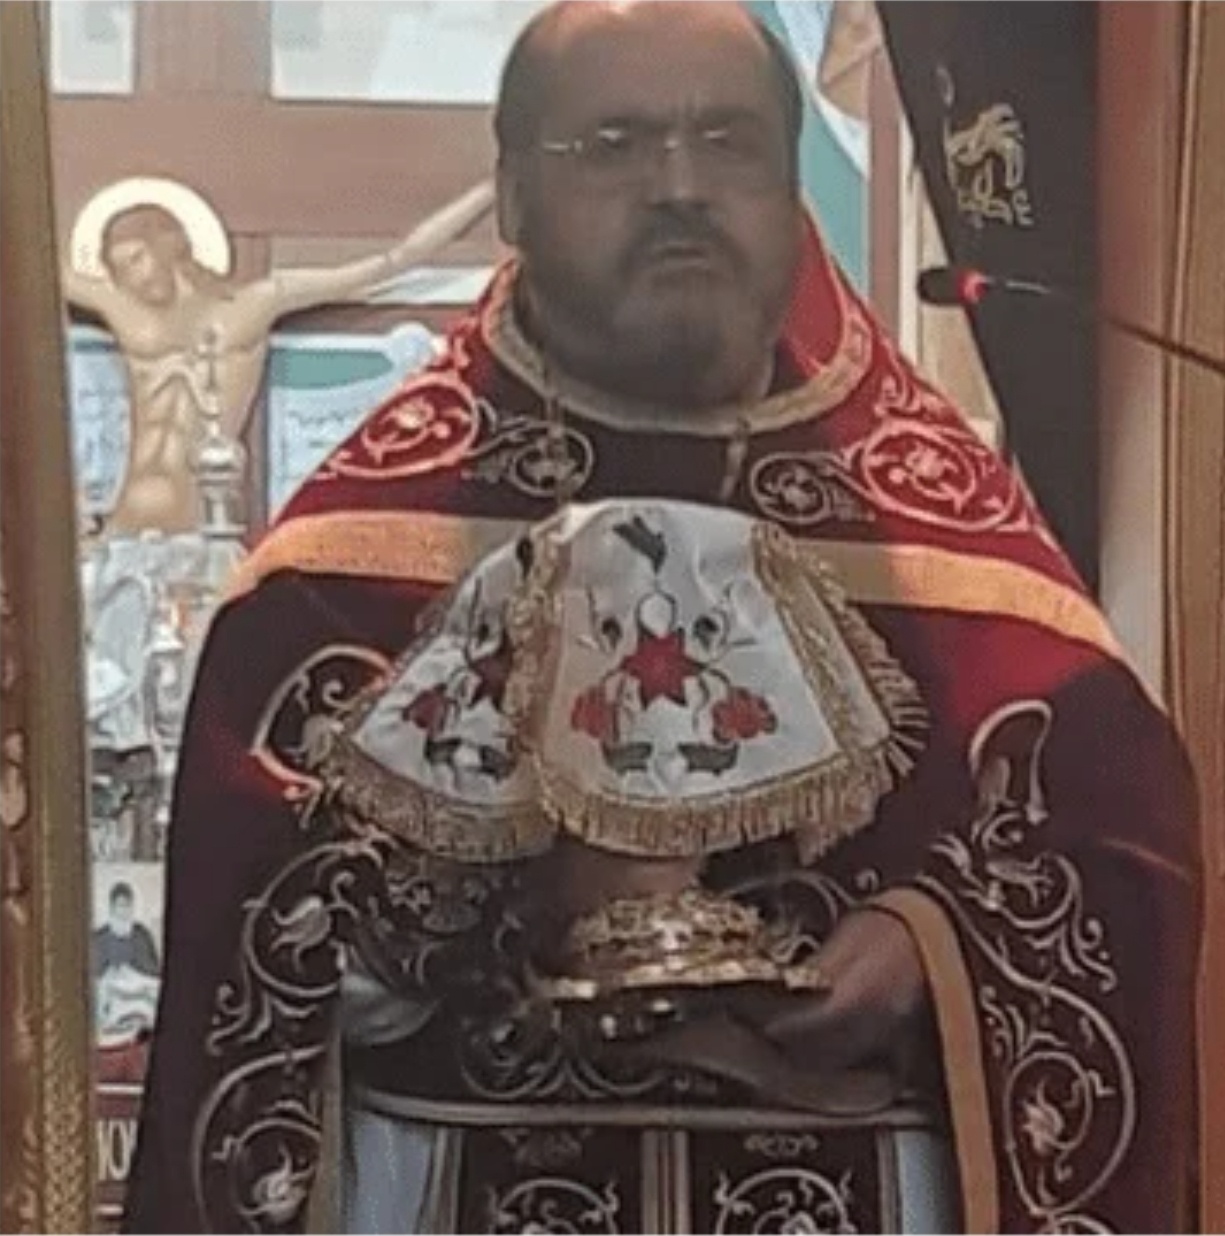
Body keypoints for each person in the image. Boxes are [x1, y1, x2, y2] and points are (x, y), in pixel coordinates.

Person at [124, 3, 1200, 1233]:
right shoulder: (350, 567)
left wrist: (933, 950)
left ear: (787, 189)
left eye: (727, 141)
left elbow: (1115, 864)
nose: (680, 187)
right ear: (512, 197)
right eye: (615, 144)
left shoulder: (950, 554)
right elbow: (255, 953)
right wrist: (456, 886)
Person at [62, 180, 494, 536]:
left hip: (202, 522)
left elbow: (393, 261)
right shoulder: (127, 312)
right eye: (119, 268)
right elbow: (36, 262)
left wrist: (492, 188)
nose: (130, 277)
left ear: (172, 244)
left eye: (136, 259)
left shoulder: (253, 305)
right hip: (125, 520)